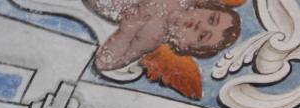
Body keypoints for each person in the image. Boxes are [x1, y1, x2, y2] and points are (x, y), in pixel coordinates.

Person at [84, 0, 241, 71]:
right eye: (211, 19)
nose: (200, 25)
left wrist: (127, 31)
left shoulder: (151, 38)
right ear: (206, 6)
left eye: (202, 36)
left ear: (184, 45)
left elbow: (105, 63)